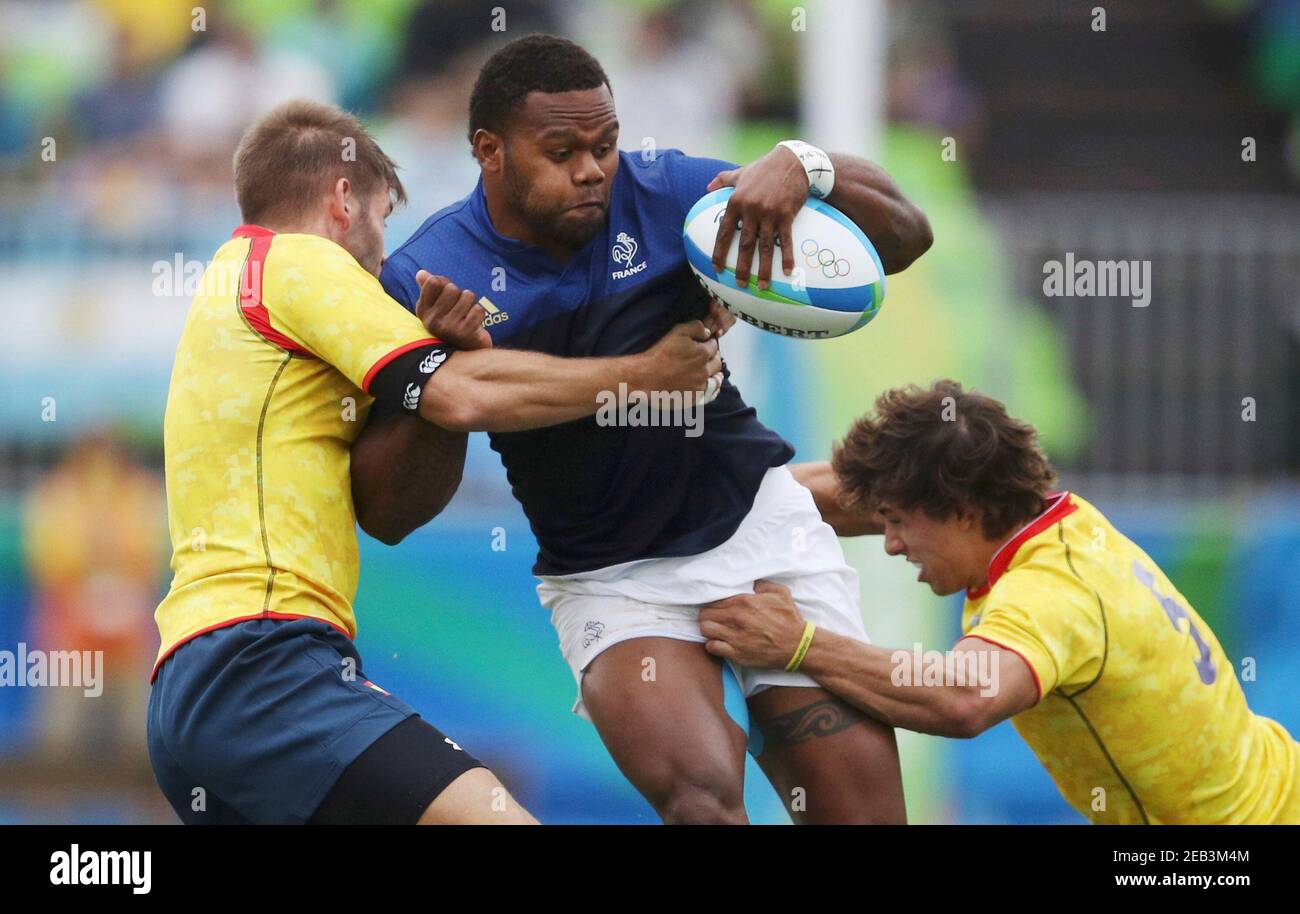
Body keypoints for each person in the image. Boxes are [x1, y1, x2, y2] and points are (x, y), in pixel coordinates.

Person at [362, 35, 934, 824]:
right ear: (488, 151)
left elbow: (906, 236)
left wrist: (805, 165)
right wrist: (443, 388)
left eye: (604, 144)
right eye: (560, 151)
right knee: (702, 800)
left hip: (760, 532)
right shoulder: (429, 277)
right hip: (611, 578)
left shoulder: (669, 195)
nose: (592, 169)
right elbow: (389, 514)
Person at [148, 99, 719, 825]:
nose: (385, 257)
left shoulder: (233, 283)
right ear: (343, 197)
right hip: (264, 660)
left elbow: (399, 495)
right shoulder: (299, 263)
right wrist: (646, 374)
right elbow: (458, 396)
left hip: (196, 679)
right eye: (383, 219)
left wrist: (448, 363)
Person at [700, 380, 1300, 824]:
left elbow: (965, 699)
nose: (888, 543)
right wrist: (690, 495)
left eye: (898, 523)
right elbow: (835, 498)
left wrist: (799, 644)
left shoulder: (1046, 594)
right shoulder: (1047, 520)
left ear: (961, 511)